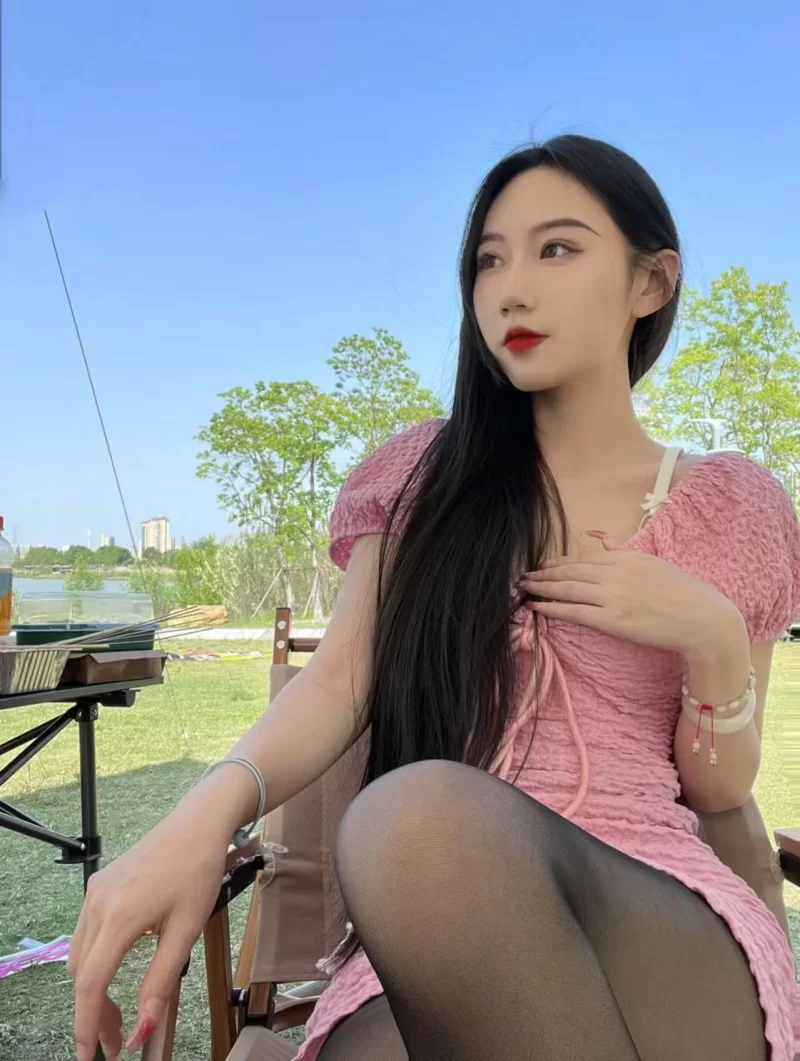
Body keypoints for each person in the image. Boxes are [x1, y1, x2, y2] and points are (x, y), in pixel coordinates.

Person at [68, 134, 800, 1061]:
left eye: (556, 248)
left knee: (413, 816)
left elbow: (720, 789)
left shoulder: (730, 503)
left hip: (658, 909)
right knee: (414, 845)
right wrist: (205, 812)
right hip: (433, 920)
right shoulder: (425, 478)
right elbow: (340, 681)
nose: (511, 290)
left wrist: (713, 634)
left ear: (651, 282)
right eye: (489, 260)